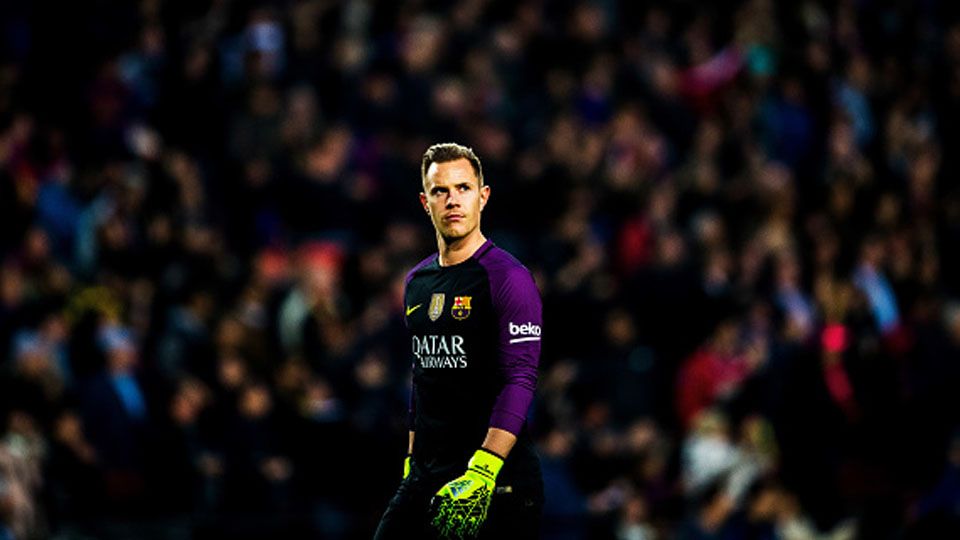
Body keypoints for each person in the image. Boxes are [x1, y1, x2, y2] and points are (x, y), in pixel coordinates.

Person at [374, 143, 544, 539]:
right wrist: (412, 461)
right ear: (424, 201)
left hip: (496, 478)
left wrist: (484, 468)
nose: (453, 200)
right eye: (440, 191)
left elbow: (520, 380)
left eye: (463, 188)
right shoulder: (416, 282)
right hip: (427, 475)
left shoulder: (508, 278)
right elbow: (423, 378)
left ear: (483, 197)